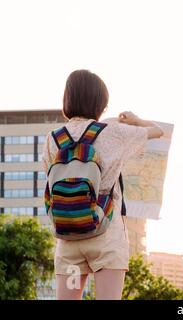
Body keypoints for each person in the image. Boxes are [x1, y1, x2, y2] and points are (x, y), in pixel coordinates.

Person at [42, 69, 163, 300]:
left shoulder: (53, 138)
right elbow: (157, 131)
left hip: (69, 239)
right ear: (100, 102)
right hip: (106, 237)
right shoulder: (113, 133)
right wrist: (136, 120)